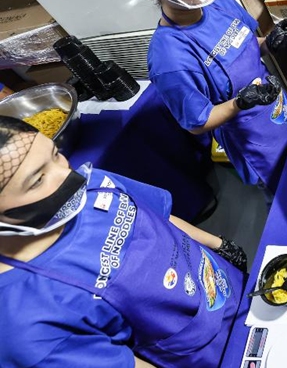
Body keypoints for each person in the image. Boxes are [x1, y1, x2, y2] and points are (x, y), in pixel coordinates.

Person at [0, 116, 249, 367]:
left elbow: (158, 216)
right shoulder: (26, 323)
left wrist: (220, 246)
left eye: (55, 154)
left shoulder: (92, 185)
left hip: (230, 285)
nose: (66, 175)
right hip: (210, 354)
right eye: (37, 180)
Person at [116, 0, 287, 193]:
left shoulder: (221, 3)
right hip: (254, 139)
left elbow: (248, 45)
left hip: (281, 110)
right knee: (285, 195)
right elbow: (197, 122)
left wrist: (271, 43)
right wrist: (240, 103)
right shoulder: (170, 58)